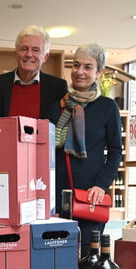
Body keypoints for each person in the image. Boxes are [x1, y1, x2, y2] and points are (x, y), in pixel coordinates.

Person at [50, 43, 122, 256]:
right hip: (57, 197)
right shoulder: (56, 107)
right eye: (76, 65)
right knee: (58, 256)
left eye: (88, 67)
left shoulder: (107, 107)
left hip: (90, 197)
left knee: (88, 258)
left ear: (99, 72)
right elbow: (45, 151)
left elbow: (116, 150)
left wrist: (101, 185)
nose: (80, 72)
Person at [0, 25, 67, 120]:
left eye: (35, 50)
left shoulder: (58, 87)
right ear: (16, 53)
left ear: (45, 57)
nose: (29, 54)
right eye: (24, 49)